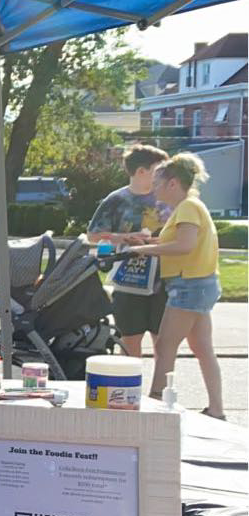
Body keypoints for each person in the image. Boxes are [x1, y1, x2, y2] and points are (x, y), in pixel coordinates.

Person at [127, 153, 223, 419]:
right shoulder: (191, 206)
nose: (153, 188)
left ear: (172, 183)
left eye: (157, 183)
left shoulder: (188, 208)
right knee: (202, 348)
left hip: (189, 284)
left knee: (165, 345)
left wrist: (147, 250)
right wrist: (150, 244)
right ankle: (216, 409)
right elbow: (185, 243)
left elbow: (185, 245)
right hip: (198, 283)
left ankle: (156, 405)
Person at [87, 144, 171, 358]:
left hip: (165, 279)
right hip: (128, 279)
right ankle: (131, 387)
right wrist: (123, 238)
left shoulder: (167, 199)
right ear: (141, 171)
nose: (164, 175)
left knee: (163, 339)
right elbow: (94, 235)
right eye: (158, 170)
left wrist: (156, 242)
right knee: (130, 339)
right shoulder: (116, 200)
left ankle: (158, 390)